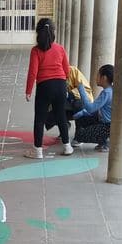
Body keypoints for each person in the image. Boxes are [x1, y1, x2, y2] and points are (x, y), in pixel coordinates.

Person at [24, 18, 73, 159]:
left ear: (38, 33)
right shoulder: (60, 48)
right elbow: (67, 70)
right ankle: (67, 146)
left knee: (40, 118)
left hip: (44, 86)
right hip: (60, 84)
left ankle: (37, 150)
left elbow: (33, 72)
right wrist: (65, 83)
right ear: (53, 32)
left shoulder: (36, 51)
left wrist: (28, 91)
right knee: (61, 115)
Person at [73, 64, 114, 152]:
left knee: (80, 135)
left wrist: (81, 89)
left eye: (98, 75)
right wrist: (83, 113)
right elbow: (95, 109)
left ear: (104, 78)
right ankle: (102, 141)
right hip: (102, 120)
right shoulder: (110, 90)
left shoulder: (106, 93)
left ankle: (106, 141)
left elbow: (90, 108)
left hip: (107, 126)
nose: (96, 77)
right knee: (81, 117)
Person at [44, 65, 94, 131]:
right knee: (46, 115)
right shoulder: (51, 76)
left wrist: (69, 94)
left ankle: (79, 132)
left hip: (79, 103)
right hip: (65, 103)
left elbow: (86, 89)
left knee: (78, 104)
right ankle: (64, 126)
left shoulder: (73, 71)